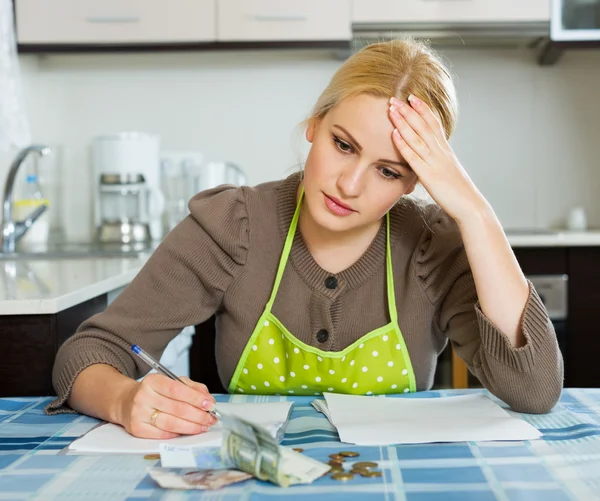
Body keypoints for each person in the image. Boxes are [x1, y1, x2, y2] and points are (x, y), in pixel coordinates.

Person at [47, 39, 563, 439]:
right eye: (344, 145)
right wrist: (122, 400)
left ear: (415, 182)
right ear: (315, 124)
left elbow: (535, 391)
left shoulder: (432, 248)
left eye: (388, 171)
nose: (350, 184)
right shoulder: (235, 225)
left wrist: (474, 212)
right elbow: (91, 352)